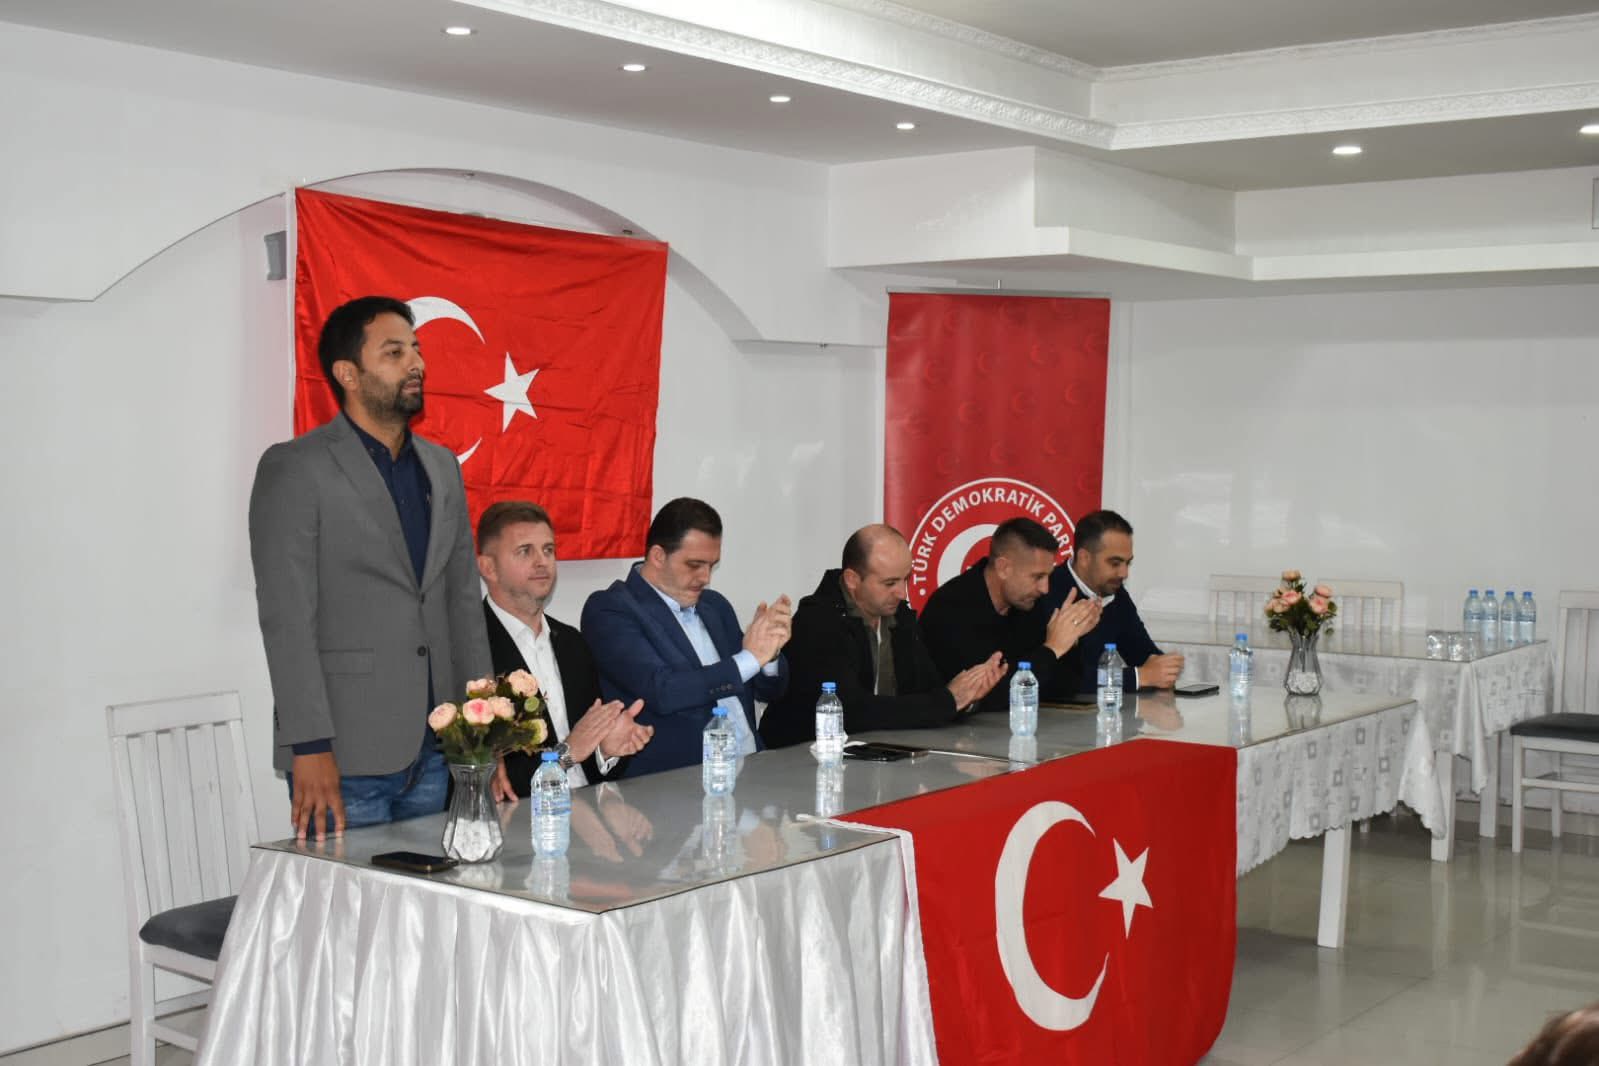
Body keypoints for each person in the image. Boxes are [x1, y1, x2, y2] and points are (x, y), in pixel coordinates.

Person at [249, 295, 490, 840]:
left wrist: (482, 729)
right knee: (345, 897)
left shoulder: (441, 467)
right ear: (348, 374)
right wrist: (309, 745)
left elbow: (461, 603)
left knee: (433, 893)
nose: (416, 363)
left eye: (417, 349)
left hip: (439, 747)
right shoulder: (296, 467)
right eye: (394, 352)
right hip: (344, 753)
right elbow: (287, 618)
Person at [580, 497, 791, 778]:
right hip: (677, 782)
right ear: (658, 556)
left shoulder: (714, 605)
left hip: (752, 769)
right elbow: (664, 690)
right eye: (694, 565)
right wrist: (751, 658)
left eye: (712, 565)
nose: (706, 578)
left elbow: (769, 691)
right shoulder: (611, 609)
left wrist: (769, 654)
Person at [760, 524, 1006, 748]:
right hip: (803, 759)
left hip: (877, 755)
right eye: (890, 583)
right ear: (852, 580)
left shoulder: (901, 618)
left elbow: (928, 692)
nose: (902, 593)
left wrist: (968, 696)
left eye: (905, 579)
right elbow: (852, 712)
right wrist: (948, 701)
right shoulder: (818, 621)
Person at [474, 500, 653, 799]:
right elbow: (499, 785)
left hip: (590, 811)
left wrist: (606, 749)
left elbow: (588, 759)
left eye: (548, 550)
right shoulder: (472, 650)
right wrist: (568, 753)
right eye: (525, 551)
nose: (542, 561)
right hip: (521, 819)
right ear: (488, 567)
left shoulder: (572, 642)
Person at [919, 516, 1101, 713]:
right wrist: (1052, 648)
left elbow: (1063, 687)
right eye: (1037, 577)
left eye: (1048, 576)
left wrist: (1069, 639)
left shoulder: (1027, 604)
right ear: (1004, 568)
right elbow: (984, 697)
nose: (1045, 588)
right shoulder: (951, 608)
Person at [1041, 509, 1184, 697]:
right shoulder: (1045, 592)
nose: (1124, 573)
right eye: (1115, 563)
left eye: (1128, 563)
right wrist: (1138, 677)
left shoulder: (1114, 592)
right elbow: (1058, 680)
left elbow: (1142, 654)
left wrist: (1164, 667)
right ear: (1084, 558)